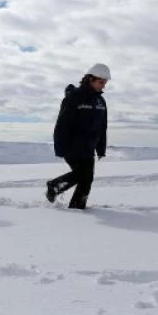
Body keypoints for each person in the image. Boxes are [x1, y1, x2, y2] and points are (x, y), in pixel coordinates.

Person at [46, 63, 110, 209]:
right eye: (101, 82)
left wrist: (101, 148)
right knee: (83, 175)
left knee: (87, 179)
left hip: (89, 147)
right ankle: (54, 186)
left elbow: (102, 127)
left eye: (105, 83)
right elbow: (62, 124)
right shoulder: (74, 97)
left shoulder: (101, 101)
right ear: (90, 79)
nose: (103, 86)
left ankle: (77, 207)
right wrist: (60, 147)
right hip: (72, 145)